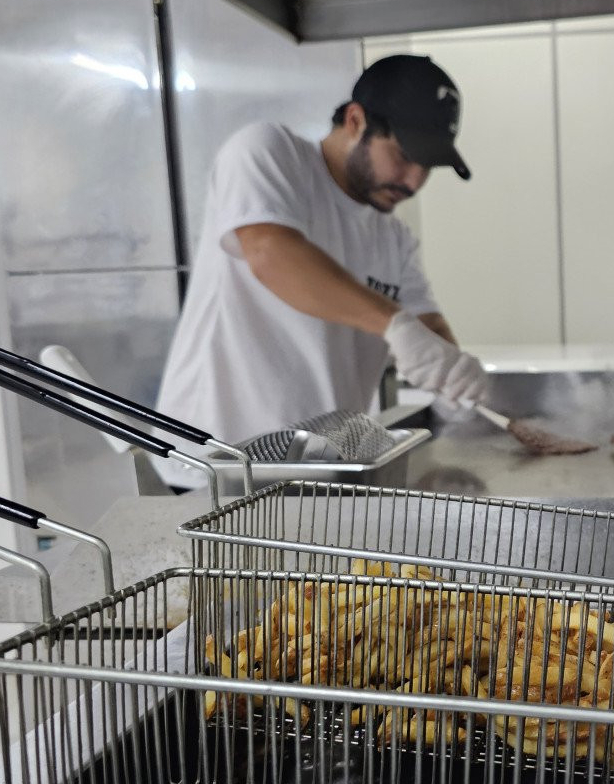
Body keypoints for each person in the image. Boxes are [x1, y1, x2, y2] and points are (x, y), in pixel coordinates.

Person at [154, 55, 488, 486]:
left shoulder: (394, 239)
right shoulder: (269, 153)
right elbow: (271, 253)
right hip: (213, 469)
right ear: (355, 120)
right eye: (405, 156)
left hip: (319, 475)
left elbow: (427, 326)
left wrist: (452, 369)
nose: (413, 181)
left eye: (428, 167)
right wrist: (395, 325)